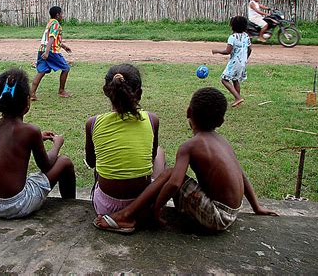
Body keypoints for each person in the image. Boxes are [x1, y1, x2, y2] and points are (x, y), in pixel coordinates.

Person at [93, 87, 278, 234]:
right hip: (231, 213)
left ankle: (126, 215)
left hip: (216, 217)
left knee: (170, 172)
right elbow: (242, 175)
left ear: (188, 111)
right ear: (221, 121)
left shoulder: (189, 146)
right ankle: (136, 210)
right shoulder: (223, 141)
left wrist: (156, 209)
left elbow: (174, 183)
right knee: (170, 172)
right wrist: (257, 207)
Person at [0, 68, 76, 219]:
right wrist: (57, 144)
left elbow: (4, 144)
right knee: (65, 162)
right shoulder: (30, 131)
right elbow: (46, 165)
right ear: (27, 101)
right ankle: (72, 207)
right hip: (14, 205)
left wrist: (35, 139)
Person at [85, 64, 167, 217]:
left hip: (105, 209)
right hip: (142, 206)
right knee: (160, 152)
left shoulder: (93, 123)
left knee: (101, 163)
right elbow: (152, 157)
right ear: (140, 93)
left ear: (106, 91)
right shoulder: (151, 119)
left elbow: (91, 163)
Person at [31, 6, 72, 101]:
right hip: (51, 51)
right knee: (66, 68)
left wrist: (64, 46)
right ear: (57, 15)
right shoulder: (56, 24)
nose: (63, 15)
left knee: (41, 71)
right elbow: (52, 38)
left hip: (42, 49)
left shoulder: (50, 23)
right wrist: (47, 52)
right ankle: (61, 91)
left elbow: (52, 38)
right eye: (62, 13)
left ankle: (32, 93)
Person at [212, 16, 252, 108]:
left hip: (234, 62)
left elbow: (228, 51)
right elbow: (250, 49)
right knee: (235, 79)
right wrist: (245, 58)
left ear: (232, 26)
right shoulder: (246, 36)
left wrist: (217, 51)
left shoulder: (232, 37)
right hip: (242, 62)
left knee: (224, 79)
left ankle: (238, 97)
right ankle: (237, 101)